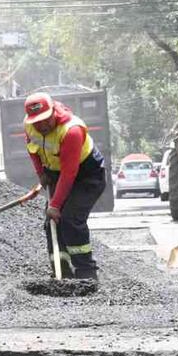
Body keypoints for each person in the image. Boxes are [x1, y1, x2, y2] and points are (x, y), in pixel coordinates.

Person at [20, 92, 107, 281]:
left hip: (87, 176)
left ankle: (86, 275)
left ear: (53, 112)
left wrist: (55, 205)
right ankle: (62, 274)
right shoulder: (30, 126)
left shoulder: (71, 130)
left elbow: (69, 173)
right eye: (37, 122)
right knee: (51, 223)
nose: (42, 125)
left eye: (46, 119)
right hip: (56, 173)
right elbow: (32, 148)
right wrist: (41, 174)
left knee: (70, 219)